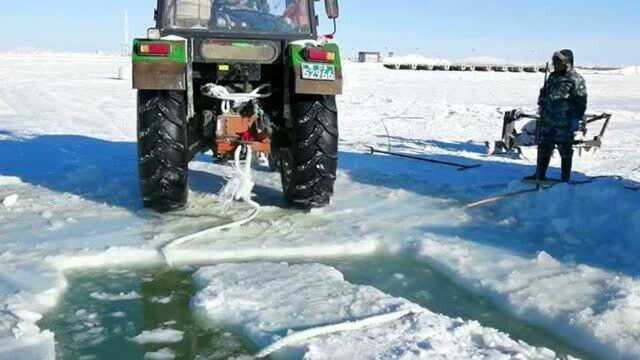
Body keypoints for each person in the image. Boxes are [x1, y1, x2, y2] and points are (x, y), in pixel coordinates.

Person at [526, 49, 588, 182]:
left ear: (568, 63)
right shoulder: (552, 76)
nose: (556, 64)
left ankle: (565, 178)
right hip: (548, 120)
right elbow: (546, 92)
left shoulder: (575, 79)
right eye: (555, 62)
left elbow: (581, 101)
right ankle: (539, 174)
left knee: (565, 150)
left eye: (559, 62)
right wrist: (542, 98)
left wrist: (575, 118)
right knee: (544, 147)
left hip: (564, 122)